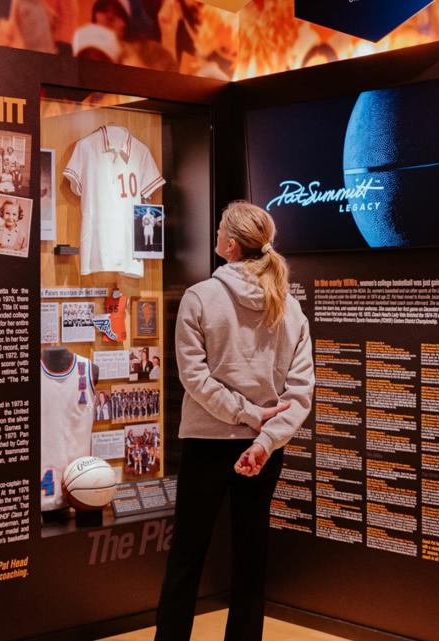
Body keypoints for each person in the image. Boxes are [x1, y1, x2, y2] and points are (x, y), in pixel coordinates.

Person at [154, 201, 314, 641]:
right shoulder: (290, 308)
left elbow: (194, 379)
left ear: (229, 244)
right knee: (251, 557)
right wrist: (264, 439)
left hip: (208, 443)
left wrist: (244, 416)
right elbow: (301, 393)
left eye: (221, 230)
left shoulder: (199, 297)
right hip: (264, 448)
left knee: (187, 555)